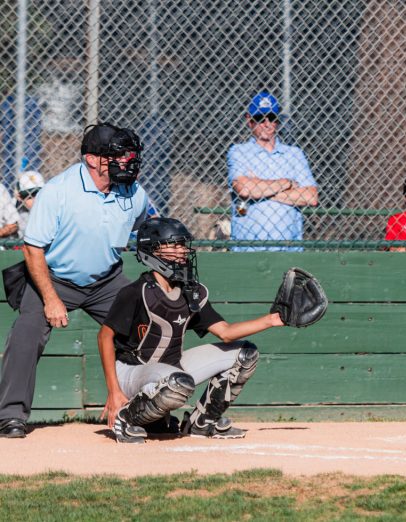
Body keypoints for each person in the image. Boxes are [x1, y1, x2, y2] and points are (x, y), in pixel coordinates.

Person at [0, 123, 149, 438]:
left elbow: (144, 227)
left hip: (107, 279)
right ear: (93, 160)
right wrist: (51, 298)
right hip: (55, 278)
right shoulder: (59, 191)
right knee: (27, 332)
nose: (126, 160)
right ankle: (10, 415)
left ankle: (146, 409)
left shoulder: (133, 191)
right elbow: (32, 248)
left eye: (127, 154)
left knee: (145, 326)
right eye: (117, 155)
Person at [98, 218, 283, 443]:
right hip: (131, 371)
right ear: (152, 250)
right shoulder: (137, 292)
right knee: (179, 382)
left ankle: (202, 423)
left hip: (171, 370)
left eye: (183, 245)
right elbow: (104, 337)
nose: (182, 251)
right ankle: (126, 418)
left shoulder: (191, 291)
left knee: (245, 355)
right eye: (174, 245)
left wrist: (272, 320)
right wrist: (113, 391)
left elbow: (225, 332)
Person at [227, 91, 318, 252]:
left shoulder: (294, 154)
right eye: (259, 118)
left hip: (289, 249)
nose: (266, 123)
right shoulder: (239, 151)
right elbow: (244, 188)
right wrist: (286, 183)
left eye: (272, 118)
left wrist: (261, 190)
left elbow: (310, 197)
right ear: (249, 120)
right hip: (248, 248)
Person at [14, 170, 45, 239]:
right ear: (19, 197)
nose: (35, 199)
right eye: (29, 196)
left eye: (38, 194)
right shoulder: (14, 212)